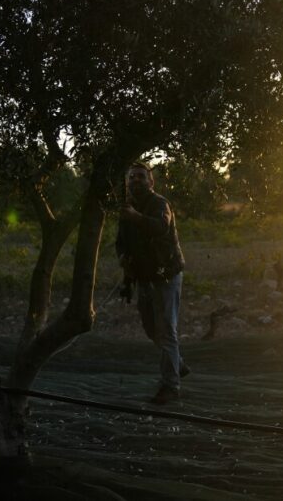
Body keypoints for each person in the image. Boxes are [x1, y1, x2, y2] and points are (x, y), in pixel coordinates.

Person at [115, 161, 188, 405]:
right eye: (132, 177)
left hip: (166, 276)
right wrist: (127, 280)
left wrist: (135, 217)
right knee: (150, 328)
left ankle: (170, 386)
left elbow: (160, 227)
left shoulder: (160, 204)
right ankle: (176, 363)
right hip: (145, 278)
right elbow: (123, 247)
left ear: (151, 181)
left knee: (167, 330)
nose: (135, 181)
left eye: (140, 177)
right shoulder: (127, 210)